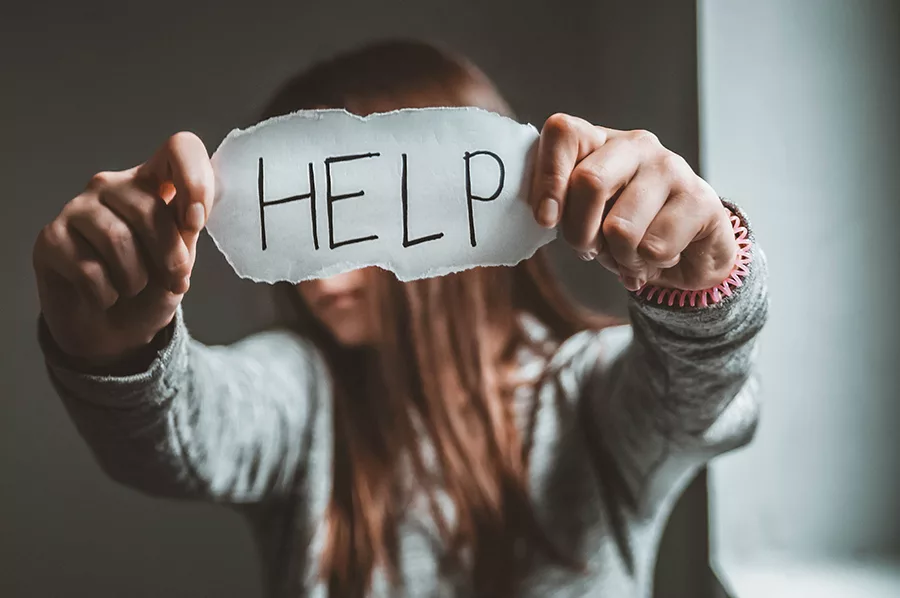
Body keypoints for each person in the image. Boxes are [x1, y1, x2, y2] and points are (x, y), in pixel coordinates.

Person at [32, 40, 768, 598]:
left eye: (367, 223)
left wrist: (702, 280)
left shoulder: (591, 385)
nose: (325, 280)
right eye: (307, 233)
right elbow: (180, 436)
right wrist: (121, 341)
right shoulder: (305, 392)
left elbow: (709, 399)